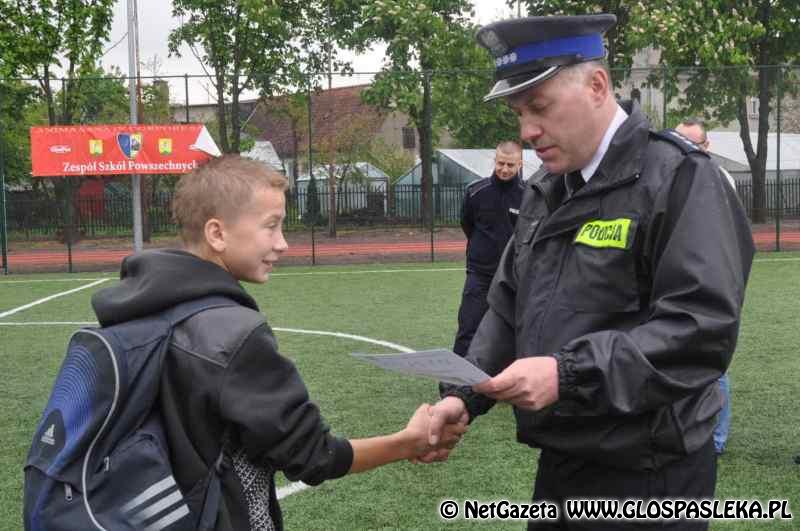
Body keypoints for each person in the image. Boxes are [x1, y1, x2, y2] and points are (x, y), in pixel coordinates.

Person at [428, 14, 755, 531]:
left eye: (539, 107)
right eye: (518, 113)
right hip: (562, 462)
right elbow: (507, 307)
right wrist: (464, 394)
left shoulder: (680, 178)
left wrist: (566, 374)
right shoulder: (546, 189)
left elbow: (700, 329)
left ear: (597, 85)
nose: (527, 131)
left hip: (651, 477)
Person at [90, 155, 465, 531]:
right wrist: (409, 442)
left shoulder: (134, 309)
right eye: (271, 226)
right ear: (217, 234)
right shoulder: (233, 335)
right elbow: (314, 455)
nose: (283, 243)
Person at [674, 118, 736, 455]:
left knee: (713, 363)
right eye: (679, 141)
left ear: (706, 146)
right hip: (677, 284)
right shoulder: (669, 175)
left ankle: (715, 440)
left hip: (712, 285)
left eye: (692, 143)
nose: (684, 149)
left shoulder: (719, 178)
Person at [453, 141, 525, 357]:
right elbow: (467, 224)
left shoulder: (528, 195)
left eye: (510, 165)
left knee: (515, 332)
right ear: (495, 161)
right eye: (501, 163)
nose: (505, 169)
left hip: (513, 277)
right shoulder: (476, 192)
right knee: (468, 328)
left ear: (520, 164)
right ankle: (459, 377)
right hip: (480, 274)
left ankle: (508, 377)